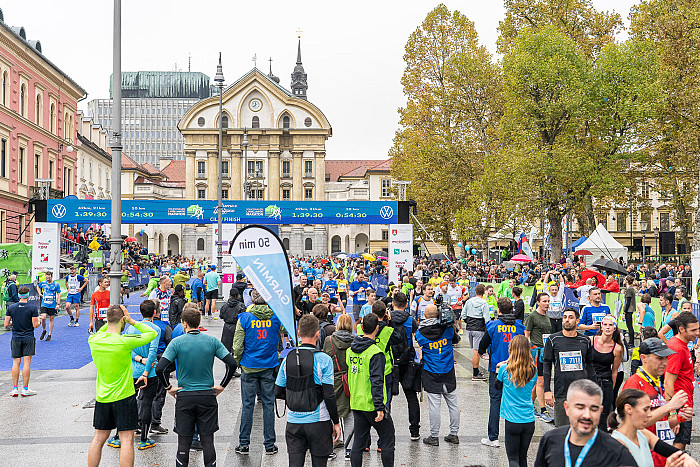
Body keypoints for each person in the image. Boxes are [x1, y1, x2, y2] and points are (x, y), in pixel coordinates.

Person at [155, 307, 238, 467]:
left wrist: (168, 387)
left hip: (185, 396)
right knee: (207, 441)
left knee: (184, 442)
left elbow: (160, 368)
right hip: (207, 395)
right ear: (199, 323)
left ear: (184, 323)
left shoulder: (176, 343)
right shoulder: (212, 341)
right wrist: (222, 386)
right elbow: (232, 363)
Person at [87, 305, 158, 467]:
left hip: (103, 396)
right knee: (126, 440)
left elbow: (104, 330)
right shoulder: (124, 341)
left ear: (107, 319)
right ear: (122, 320)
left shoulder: (93, 340)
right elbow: (151, 334)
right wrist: (131, 320)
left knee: (98, 439)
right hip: (124, 397)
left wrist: (112, 320)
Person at [275, 314, 342, 467]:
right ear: (318, 334)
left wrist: (295, 396)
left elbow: (277, 391)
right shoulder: (324, 359)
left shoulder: (288, 359)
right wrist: (336, 422)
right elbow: (329, 395)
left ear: (298, 333)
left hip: (294, 422)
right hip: (319, 421)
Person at [534, 379, 639, 467]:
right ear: (567, 408)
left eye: (594, 409)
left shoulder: (616, 452)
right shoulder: (550, 440)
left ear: (600, 411)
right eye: (580, 408)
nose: (587, 415)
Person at [623, 337, 692, 467]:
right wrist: (670, 406)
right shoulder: (633, 383)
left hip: (659, 455)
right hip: (644, 456)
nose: (664, 363)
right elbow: (634, 426)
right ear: (644, 358)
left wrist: (680, 417)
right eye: (659, 358)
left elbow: (660, 423)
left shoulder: (656, 382)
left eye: (666, 358)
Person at [233, 289, 282, 455]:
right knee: (268, 405)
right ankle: (269, 444)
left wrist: (239, 362)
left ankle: (244, 444)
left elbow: (238, 345)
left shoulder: (245, 318)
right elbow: (283, 332)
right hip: (269, 365)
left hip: (249, 365)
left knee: (248, 405)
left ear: (252, 300)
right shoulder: (275, 318)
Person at [346, 313, 395, 467]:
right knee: (387, 439)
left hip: (357, 402)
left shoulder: (351, 350)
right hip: (372, 404)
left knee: (358, 443)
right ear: (376, 328)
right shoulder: (375, 352)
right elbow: (376, 381)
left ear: (361, 327)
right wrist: (380, 407)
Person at [479, 297, 526, 447]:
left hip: (498, 369)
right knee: (517, 400)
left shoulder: (493, 325)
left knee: (495, 401)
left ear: (498, 310)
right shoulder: (519, 326)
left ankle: (493, 437)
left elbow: (483, 344)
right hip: (517, 367)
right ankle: (517, 435)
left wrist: (481, 352)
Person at [609, 389, 697, 467]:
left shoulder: (642, 433)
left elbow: (670, 450)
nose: (650, 414)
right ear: (628, 409)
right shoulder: (618, 445)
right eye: (645, 410)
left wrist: (685, 456)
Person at [543, 308, 597, 427]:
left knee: (581, 429)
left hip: (582, 393)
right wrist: (546, 390)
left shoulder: (585, 340)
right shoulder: (553, 339)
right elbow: (546, 366)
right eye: (565, 317)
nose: (567, 320)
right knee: (561, 430)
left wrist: (594, 389)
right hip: (561, 392)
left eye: (570, 317)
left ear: (577, 320)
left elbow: (589, 366)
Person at [415, 304, 460, 446]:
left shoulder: (420, 333)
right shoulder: (448, 329)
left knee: (434, 405)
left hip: (431, 370)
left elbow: (419, 342)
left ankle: (434, 436)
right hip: (447, 369)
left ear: (425, 315)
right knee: (453, 403)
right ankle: (454, 434)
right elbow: (456, 338)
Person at [123, 300, 161, 450]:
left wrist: (139, 359)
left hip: (132, 370)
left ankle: (120, 435)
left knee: (129, 401)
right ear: (154, 312)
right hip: (149, 373)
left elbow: (127, 349)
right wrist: (146, 366)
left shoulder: (130, 329)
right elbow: (153, 352)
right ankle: (144, 439)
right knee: (147, 403)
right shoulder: (155, 329)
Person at [496, 335, 538, 467]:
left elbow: (497, 387)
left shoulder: (505, 369)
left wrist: (498, 368)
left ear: (511, 349)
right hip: (528, 420)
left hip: (512, 419)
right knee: (522, 457)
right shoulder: (533, 370)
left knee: (513, 458)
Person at [387, 292, 420, 441]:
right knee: (411, 396)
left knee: (387, 398)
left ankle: (386, 431)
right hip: (408, 361)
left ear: (393, 303)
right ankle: (414, 431)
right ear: (406, 304)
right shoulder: (410, 320)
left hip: (391, 361)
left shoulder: (388, 319)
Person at [664, 312, 699, 450]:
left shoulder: (682, 343)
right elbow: (668, 382)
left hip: (685, 404)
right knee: (677, 449)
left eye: (698, 329)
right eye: (693, 330)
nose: (697, 333)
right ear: (681, 329)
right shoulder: (677, 348)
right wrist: (672, 413)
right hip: (680, 407)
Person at [323, 313, 354, 459]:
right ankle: (349, 450)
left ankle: (329, 448)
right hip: (349, 381)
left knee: (330, 414)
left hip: (332, 380)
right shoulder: (355, 341)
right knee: (349, 415)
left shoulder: (329, 340)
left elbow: (324, 360)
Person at [590, 315, 624, 430]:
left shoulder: (617, 348)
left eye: (610, 325)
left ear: (614, 328)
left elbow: (615, 371)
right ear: (601, 327)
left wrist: (612, 389)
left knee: (603, 415)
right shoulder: (592, 340)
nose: (607, 327)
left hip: (606, 381)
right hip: (591, 380)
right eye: (605, 325)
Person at [5, 286, 40, 396]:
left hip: (16, 337)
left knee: (16, 362)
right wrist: (39, 320)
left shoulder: (11, 308)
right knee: (26, 362)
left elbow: (6, 324)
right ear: (28, 296)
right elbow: (35, 325)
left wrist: (14, 323)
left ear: (19, 295)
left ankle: (15, 389)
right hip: (28, 337)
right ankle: (25, 389)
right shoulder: (32, 308)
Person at [525, 293, 554, 423]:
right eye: (544, 301)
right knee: (540, 381)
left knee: (537, 382)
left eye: (548, 301)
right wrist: (527, 352)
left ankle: (528, 406)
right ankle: (543, 410)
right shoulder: (532, 316)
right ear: (538, 302)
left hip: (546, 352)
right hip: (536, 351)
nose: (547, 303)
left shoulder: (547, 316)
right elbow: (526, 334)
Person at [463, 284, 490, 381]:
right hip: (479, 328)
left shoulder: (469, 302)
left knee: (474, 350)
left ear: (475, 292)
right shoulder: (484, 303)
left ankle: (477, 370)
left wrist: (468, 322)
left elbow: (463, 315)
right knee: (476, 351)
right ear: (483, 292)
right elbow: (487, 319)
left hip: (469, 327)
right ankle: (475, 373)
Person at [37, 271, 62, 342]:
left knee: (51, 318)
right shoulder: (43, 283)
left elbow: (59, 294)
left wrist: (58, 304)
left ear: (51, 277)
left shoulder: (56, 284)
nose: (47, 279)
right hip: (44, 304)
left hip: (52, 304)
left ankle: (49, 334)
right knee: (43, 317)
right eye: (46, 278)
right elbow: (38, 287)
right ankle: (44, 330)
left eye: (49, 278)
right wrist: (39, 293)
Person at [219, 286, 243, 354]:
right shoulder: (241, 306)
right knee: (237, 348)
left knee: (227, 349)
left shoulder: (225, 306)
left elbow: (221, 316)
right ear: (237, 295)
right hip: (238, 327)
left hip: (227, 328)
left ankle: (228, 364)